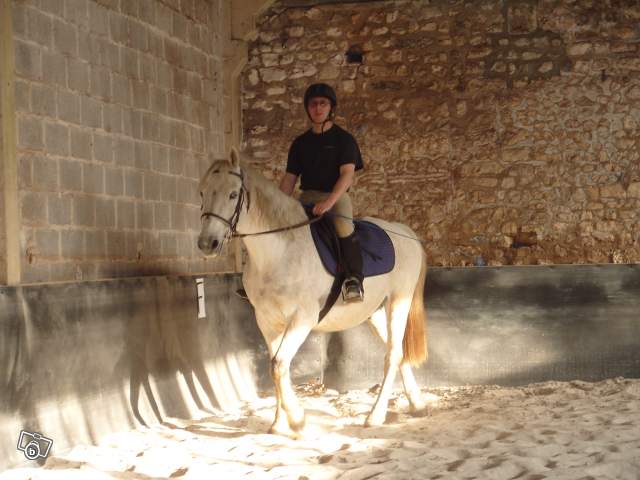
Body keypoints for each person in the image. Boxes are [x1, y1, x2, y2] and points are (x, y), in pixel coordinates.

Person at [279, 83, 365, 302]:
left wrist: (329, 202)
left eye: (323, 103)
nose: (318, 108)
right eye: (313, 104)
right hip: (307, 196)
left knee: (343, 225)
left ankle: (354, 280)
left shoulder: (344, 140)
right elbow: (290, 179)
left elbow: (347, 175)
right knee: (282, 228)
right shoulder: (300, 143)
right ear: (308, 108)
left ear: (331, 108)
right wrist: (278, 206)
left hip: (336, 196)